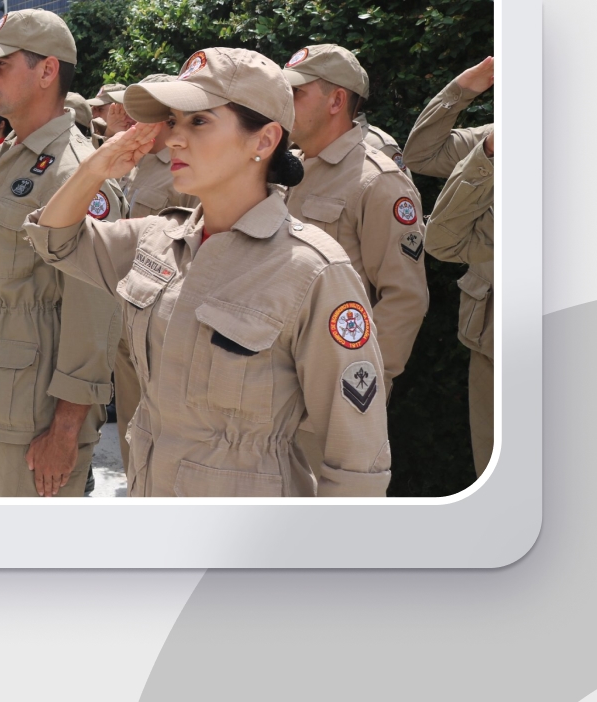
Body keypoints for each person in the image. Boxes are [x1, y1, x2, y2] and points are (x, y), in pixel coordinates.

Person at [27, 47, 392, 496]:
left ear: (263, 140)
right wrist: (98, 165)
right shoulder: (159, 239)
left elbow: (357, 462)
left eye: (198, 121)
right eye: (175, 122)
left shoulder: (312, 270)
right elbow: (55, 240)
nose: (175, 138)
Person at [0, 9, 123, 498]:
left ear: (47, 71)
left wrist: (67, 429)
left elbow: (95, 317)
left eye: (0, 64)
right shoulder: (12, 155)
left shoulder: (76, 173)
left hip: (37, 414)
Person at [282, 43, 427, 393]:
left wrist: (364, 384)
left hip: (331, 386)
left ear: (336, 102)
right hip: (279, 376)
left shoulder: (377, 181)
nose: (283, 102)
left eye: (296, 92)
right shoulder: (288, 167)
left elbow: (405, 297)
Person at [97, 73, 200, 471]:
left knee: (168, 443)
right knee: (131, 433)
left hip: (164, 329)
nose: (131, 118)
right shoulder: (135, 164)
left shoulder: (182, 167)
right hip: (127, 321)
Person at [403, 56, 495, 477]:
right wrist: (464, 87)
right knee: (498, 472)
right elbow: (421, 153)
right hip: (494, 341)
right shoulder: (493, 139)